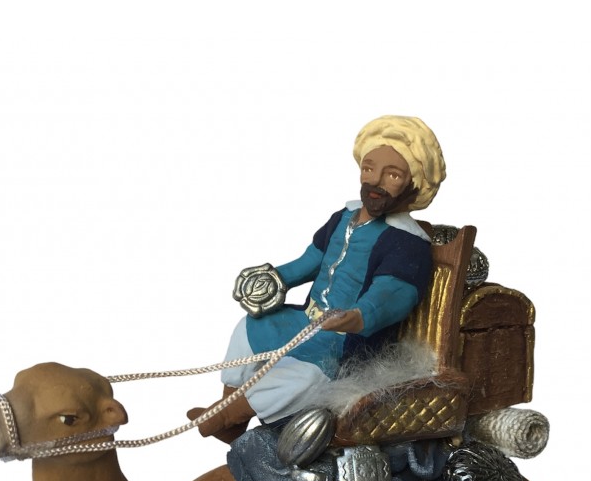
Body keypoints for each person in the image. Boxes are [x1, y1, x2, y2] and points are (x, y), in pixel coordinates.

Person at [189, 115, 446, 442]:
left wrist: (357, 316)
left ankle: (229, 415)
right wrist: (275, 279)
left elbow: (392, 295)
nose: (376, 181)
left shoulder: (407, 242)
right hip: (305, 321)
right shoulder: (343, 217)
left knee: (304, 379)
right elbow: (311, 260)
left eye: (393, 175)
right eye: (369, 169)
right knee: (249, 328)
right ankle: (230, 417)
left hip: (345, 343)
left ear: (414, 184)